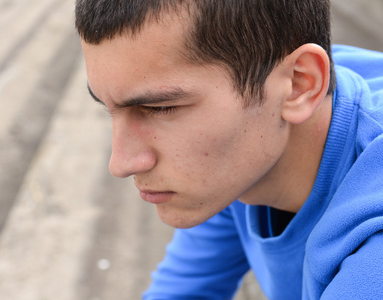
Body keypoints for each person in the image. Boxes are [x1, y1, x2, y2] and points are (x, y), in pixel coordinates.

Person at [75, 0, 383, 299]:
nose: (121, 163)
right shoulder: (244, 158)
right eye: (109, 108)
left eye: (161, 108)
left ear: (300, 84)